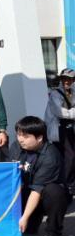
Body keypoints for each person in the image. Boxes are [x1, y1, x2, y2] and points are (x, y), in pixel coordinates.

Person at [8, 116, 69, 236]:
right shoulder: (16, 147)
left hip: (42, 196)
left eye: (25, 136)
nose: (20, 139)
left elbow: (37, 190)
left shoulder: (50, 156)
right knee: (29, 230)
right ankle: (31, 221)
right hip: (25, 192)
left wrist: (24, 217)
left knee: (54, 191)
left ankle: (53, 233)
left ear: (40, 137)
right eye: (18, 134)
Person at [44, 68, 75, 197]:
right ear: (61, 79)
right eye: (64, 79)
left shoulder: (73, 92)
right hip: (58, 130)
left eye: (69, 79)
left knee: (70, 158)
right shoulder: (55, 93)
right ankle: (64, 184)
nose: (66, 81)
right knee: (65, 157)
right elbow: (60, 112)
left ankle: (69, 184)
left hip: (70, 129)